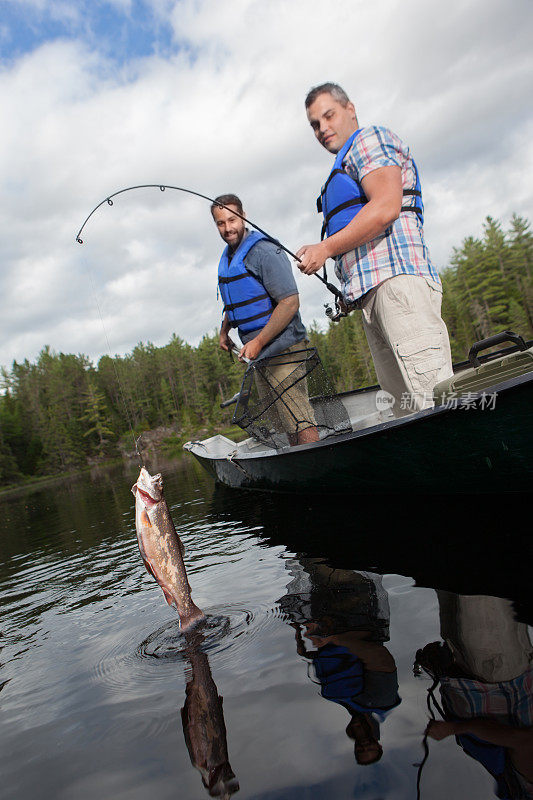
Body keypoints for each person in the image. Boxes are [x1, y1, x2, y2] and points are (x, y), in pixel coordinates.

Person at [296, 82, 453, 417]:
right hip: (374, 297)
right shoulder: (346, 160)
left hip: (399, 285)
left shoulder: (369, 140)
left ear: (350, 109)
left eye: (329, 116)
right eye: (315, 124)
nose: (323, 128)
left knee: (435, 403)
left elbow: (385, 208)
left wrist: (325, 248)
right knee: (408, 413)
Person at [211, 194, 319, 445]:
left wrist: (258, 341)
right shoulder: (229, 256)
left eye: (232, 219)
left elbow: (290, 302)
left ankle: (317, 468)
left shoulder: (264, 251)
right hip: (259, 357)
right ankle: (301, 468)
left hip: (284, 350)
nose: (228, 228)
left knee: (300, 419)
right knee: (283, 422)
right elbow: (238, 299)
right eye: (220, 223)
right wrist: (224, 330)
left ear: (243, 216)